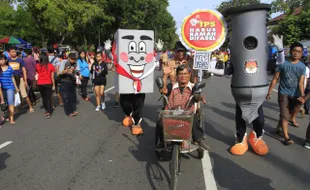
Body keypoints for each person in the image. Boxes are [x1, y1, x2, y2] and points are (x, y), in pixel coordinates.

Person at [156, 64, 209, 150]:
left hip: (187, 115)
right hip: (172, 114)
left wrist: (200, 97)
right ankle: (162, 141)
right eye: (180, 74)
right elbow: (163, 90)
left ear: (189, 75)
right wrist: (165, 75)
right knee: (160, 121)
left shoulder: (193, 87)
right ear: (177, 75)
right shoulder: (172, 86)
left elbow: (197, 96)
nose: (183, 76)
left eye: (185, 74)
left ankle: (198, 139)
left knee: (194, 118)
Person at [267, 42, 306, 145]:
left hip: (295, 94)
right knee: (285, 115)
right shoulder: (282, 64)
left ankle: (278, 128)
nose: (296, 53)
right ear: (290, 51)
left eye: (299, 52)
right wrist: (269, 92)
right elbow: (275, 79)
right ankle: (286, 137)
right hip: (283, 93)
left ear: (301, 53)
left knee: (287, 115)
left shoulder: (302, 67)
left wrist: (302, 95)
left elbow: (301, 82)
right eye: (294, 51)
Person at [8, 47, 34, 113]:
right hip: (11, 79)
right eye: (12, 52)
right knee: (14, 94)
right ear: (9, 53)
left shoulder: (20, 60)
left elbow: (24, 70)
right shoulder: (8, 60)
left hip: (20, 78)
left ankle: (30, 106)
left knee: (24, 94)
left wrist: (25, 81)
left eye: (14, 52)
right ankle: (17, 108)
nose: (13, 53)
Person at [0, 54, 19, 124]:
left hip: (10, 87)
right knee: (6, 102)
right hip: (2, 89)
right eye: (0, 60)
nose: (1, 61)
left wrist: (16, 87)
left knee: (11, 102)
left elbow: (12, 77)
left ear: (5, 60)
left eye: (2, 59)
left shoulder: (9, 68)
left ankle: (11, 117)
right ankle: (8, 114)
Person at [36, 52, 55, 118]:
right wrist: (54, 85)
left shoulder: (38, 65)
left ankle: (46, 109)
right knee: (48, 97)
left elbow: (37, 73)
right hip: (48, 83)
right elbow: (52, 77)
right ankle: (49, 111)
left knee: (43, 97)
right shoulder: (51, 66)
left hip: (40, 83)